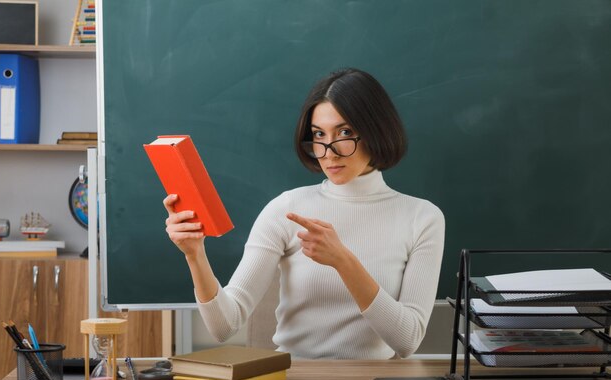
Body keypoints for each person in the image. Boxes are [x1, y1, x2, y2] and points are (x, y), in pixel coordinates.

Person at [163, 68, 445, 359]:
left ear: (376, 131)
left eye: (345, 133)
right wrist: (194, 255)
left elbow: (407, 340)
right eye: (319, 135)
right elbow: (224, 325)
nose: (329, 152)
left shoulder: (422, 218)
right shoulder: (286, 209)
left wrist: (344, 261)